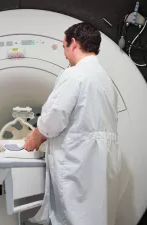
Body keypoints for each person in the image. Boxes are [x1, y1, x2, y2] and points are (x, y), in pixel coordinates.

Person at [24, 22, 121, 225]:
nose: (65, 54)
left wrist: (37, 134)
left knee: (76, 217)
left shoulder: (74, 74)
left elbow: (55, 117)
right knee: (97, 217)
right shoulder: (104, 78)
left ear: (74, 43)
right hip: (101, 162)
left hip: (78, 162)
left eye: (64, 47)